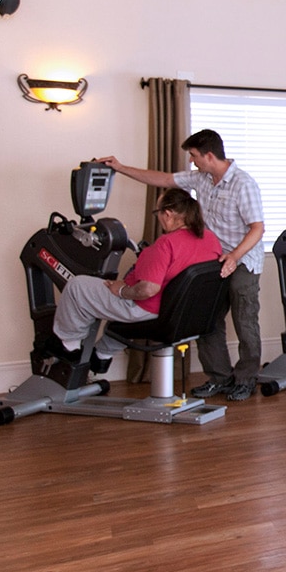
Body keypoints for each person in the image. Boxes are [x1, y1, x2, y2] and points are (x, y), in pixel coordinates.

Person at [100, 129, 265, 401]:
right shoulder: (202, 178)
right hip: (212, 260)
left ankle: (246, 379)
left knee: (244, 321)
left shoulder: (243, 184)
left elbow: (257, 228)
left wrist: (234, 257)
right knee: (207, 320)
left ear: (209, 155)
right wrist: (120, 168)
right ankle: (220, 378)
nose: (192, 161)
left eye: (194, 156)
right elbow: (164, 179)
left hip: (242, 260)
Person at [47, 188, 222, 370]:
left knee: (77, 286)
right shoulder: (210, 239)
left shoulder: (166, 244)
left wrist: (121, 290)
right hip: (187, 313)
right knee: (119, 312)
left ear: (168, 214)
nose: (159, 218)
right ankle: (101, 355)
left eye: (158, 213)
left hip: (148, 309)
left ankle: (69, 346)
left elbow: (147, 290)